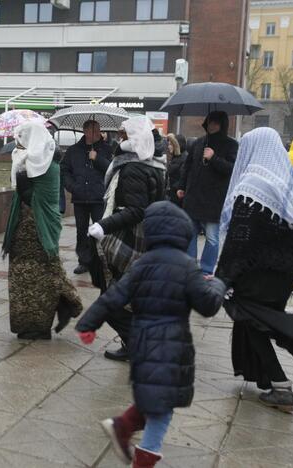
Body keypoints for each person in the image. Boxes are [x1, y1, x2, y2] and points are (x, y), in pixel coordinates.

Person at [77, 201, 226, 468]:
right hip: (172, 346)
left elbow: (113, 296)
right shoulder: (188, 266)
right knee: (162, 410)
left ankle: (122, 426)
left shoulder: (141, 264)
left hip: (142, 343)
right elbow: (207, 305)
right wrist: (217, 283)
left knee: (155, 398)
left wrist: (88, 324)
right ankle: (143, 458)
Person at [217, 127, 293, 413]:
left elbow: (239, 239)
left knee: (253, 321)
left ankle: (281, 385)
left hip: (255, 274)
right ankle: (277, 375)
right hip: (284, 275)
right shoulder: (291, 184)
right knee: (268, 321)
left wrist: (223, 277)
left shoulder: (253, 186)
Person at [88, 116, 166, 362]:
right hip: (150, 237)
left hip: (133, 239)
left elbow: (136, 210)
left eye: (123, 135)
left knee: (111, 300)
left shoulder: (132, 167)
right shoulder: (155, 163)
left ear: (133, 138)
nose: (118, 139)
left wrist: (103, 225)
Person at [2, 121, 83, 340]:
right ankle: (32, 323)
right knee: (29, 280)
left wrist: (20, 171)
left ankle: (50, 316)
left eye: (21, 138)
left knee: (38, 278)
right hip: (27, 228)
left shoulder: (43, 163)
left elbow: (31, 195)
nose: (18, 144)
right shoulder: (36, 159)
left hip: (38, 227)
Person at [176, 111, 238, 276]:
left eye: (215, 123)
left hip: (214, 200)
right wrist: (181, 186)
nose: (211, 126)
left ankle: (206, 270)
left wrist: (214, 157)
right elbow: (187, 167)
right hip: (193, 197)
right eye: (209, 122)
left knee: (212, 238)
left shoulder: (231, 145)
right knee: (190, 234)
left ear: (222, 124)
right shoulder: (198, 143)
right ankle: (190, 268)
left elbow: (231, 169)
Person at [61, 120, 112, 275]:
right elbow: (64, 171)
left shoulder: (107, 149)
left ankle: (100, 261)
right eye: (94, 130)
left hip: (98, 197)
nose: (98, 133)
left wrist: (97, 159)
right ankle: (83, 261)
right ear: (86, 131)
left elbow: (112, 169)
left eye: (98, 129)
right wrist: (73, 187)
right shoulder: (73, 150)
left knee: (100, 230)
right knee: (81, 231)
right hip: (80, 198)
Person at [165, 133, 184, 206]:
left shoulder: (183, 159)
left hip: (177, 199)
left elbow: (182, 180)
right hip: (172, 197)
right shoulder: (174, 158)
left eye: (170, 144)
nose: (168, 146)